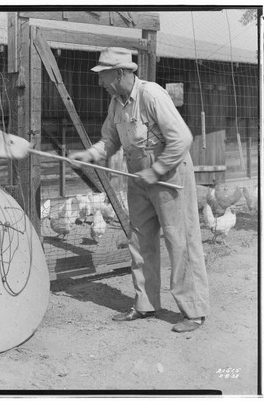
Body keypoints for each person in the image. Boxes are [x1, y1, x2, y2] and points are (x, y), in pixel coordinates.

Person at [69, 47, 210, 333]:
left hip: (169, 173)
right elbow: (110, 141)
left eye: (103, 76)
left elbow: (182, 138)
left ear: (121, 73)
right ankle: (145, 304)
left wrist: (156, 171)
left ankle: (194, 312)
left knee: (180, 240)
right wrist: (90, 154)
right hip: (137, 174)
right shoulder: (116, 103)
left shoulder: (151, 94)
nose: (100, 83)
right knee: (140, 239)